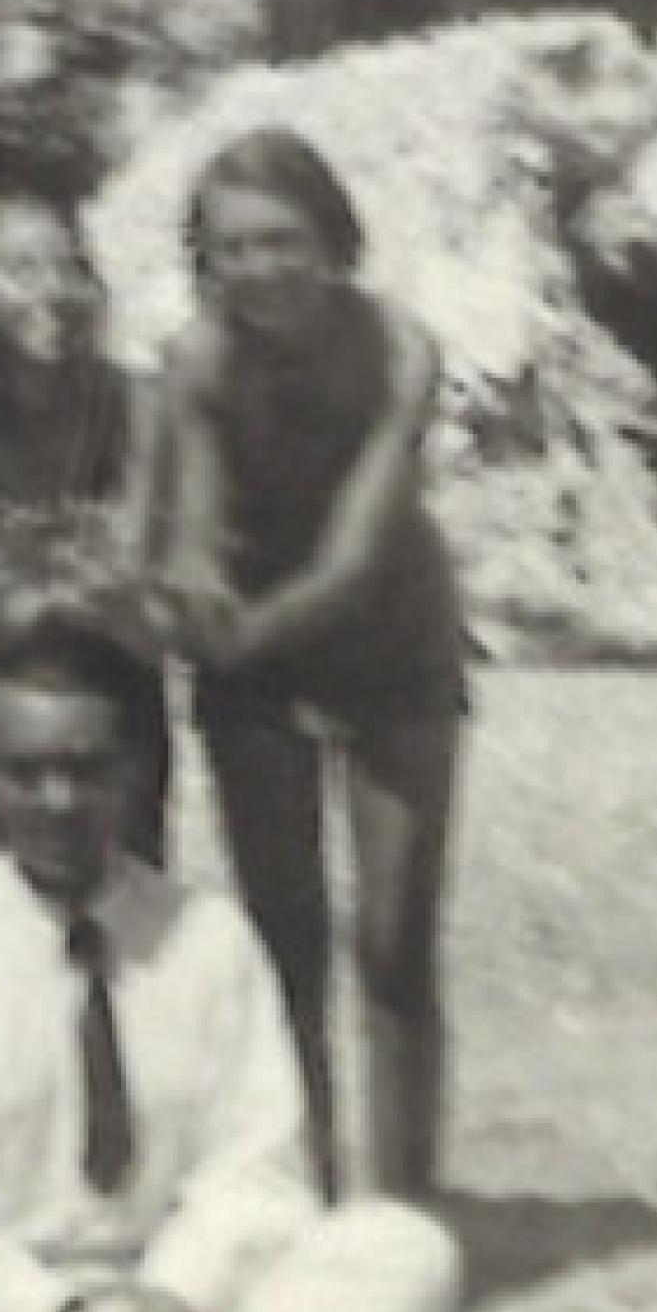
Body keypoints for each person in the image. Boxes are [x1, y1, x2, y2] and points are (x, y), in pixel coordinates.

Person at [0, 600, 462, 1312]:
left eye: (86, 768)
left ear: (134, 770)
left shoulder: (207, 937)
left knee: (402, 1248)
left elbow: (261, 1169)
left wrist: (173, 1304)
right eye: (25, 772)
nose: (59, 800)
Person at [160, 129, 466, 1201]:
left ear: (333, 239)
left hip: (391, 644)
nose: (261, 268)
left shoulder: (399, 350)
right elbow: (195, 525)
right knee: (283, 938)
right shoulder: (197, 358)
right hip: (255, 652)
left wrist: (238, 634)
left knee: (393, 941)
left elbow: (353, 554)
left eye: (283, 240)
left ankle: (403, 1206)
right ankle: (308, 1187)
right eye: (234, 247)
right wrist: (196, 596)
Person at [0, 180, 170, 880]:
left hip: (107, 701)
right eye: (21, 270)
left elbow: (132, 583)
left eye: (68, 267)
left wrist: (9, 600)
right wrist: (67, 591)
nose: (52, 289)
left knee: (116, 916)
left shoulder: (137, 404)